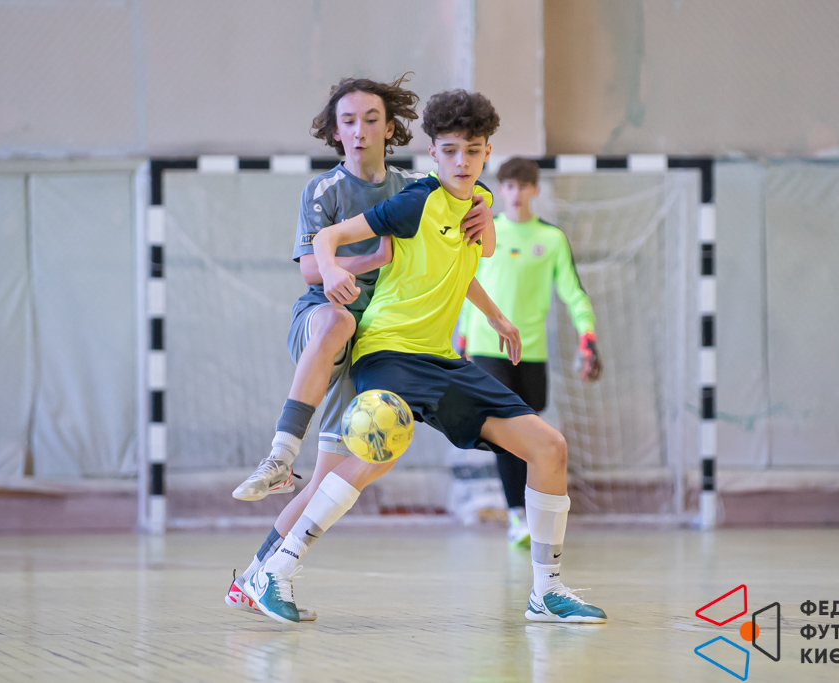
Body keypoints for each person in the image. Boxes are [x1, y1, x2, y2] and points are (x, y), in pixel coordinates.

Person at [242, 89, 607, 626]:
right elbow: (329, 238)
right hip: (387, 348)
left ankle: (546, 591)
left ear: (487, 153)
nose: (462, 161)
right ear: (433, 152)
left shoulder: (478, 205)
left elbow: (468, 258)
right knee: (377, 452)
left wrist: (496, 316)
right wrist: (336, 268)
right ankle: (275, 567)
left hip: (440, 358)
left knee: (549, 447)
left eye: (473, 151)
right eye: (450, 150)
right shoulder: (415, 200)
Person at [225, 75, 510, 621]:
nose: (360, 130)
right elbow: (313, 268)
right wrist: (359, 264)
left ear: (391, 128)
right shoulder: (324, 191)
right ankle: (281, 453)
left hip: (376, 339)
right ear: (336, 132)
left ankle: (255, 578)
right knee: (336, 319)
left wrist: (493, 309)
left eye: (371, 119)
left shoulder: (417, 189)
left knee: (332, 479)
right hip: (323, 320)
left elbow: (449, 261)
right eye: (349, 121)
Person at [457, 157, 602, 548]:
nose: (516, 193)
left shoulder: (551, 239)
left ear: (535, 190)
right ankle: (517, 516)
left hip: (531, 351)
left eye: (523, 186)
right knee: (508, 428)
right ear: (501, 190)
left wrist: (587, 333)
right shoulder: (484, 233)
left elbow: (574, 293)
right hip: (487, 346)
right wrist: (461, 339)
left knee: (531, 432)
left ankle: (528, 511)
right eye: (509, 186)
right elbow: (464, 285)